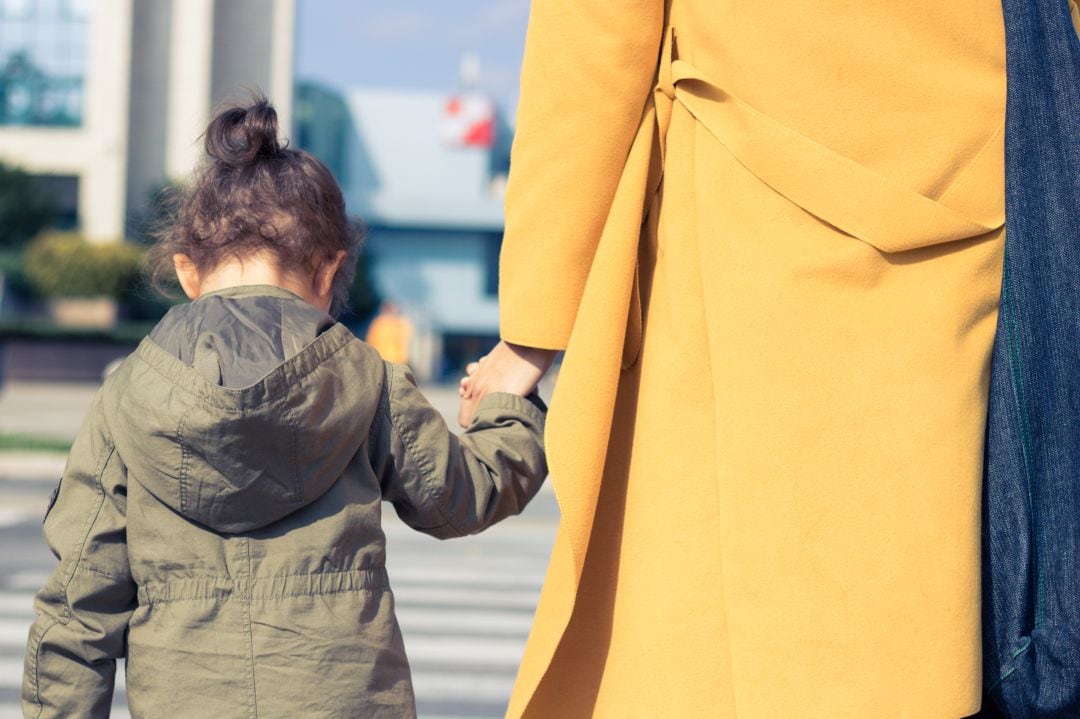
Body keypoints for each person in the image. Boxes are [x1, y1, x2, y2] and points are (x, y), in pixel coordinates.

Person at [460, 0, 1007, 716]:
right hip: (984, 201)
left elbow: (595, 42)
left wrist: (530, 334)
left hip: (746, 218)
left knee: (712, 646)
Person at [21, 97, 548, 718]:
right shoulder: (368, 380)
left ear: (188, 272)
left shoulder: (127, 397)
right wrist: (509, 402)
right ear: (328, 272)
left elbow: (78, 608)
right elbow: (464, 495)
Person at [366, 301, 413, 365]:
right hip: (395, 361)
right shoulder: (401, 323)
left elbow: (371, 341)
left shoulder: (379, 322)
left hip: (383, 360)